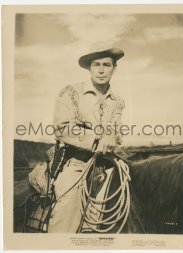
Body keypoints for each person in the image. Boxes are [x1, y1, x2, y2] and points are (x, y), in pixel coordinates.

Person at [28, 42, 125, 233]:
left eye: (106, 65)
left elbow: (116, 131)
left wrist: (113, 136)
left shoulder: (118, 101)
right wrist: (97, 140)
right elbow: (62, 128)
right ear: (89, 68)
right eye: (96, 65)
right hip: (73, 162)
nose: (101, 70)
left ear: (114, 68)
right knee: (67, 209)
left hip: (106, 163)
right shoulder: (71, 92)